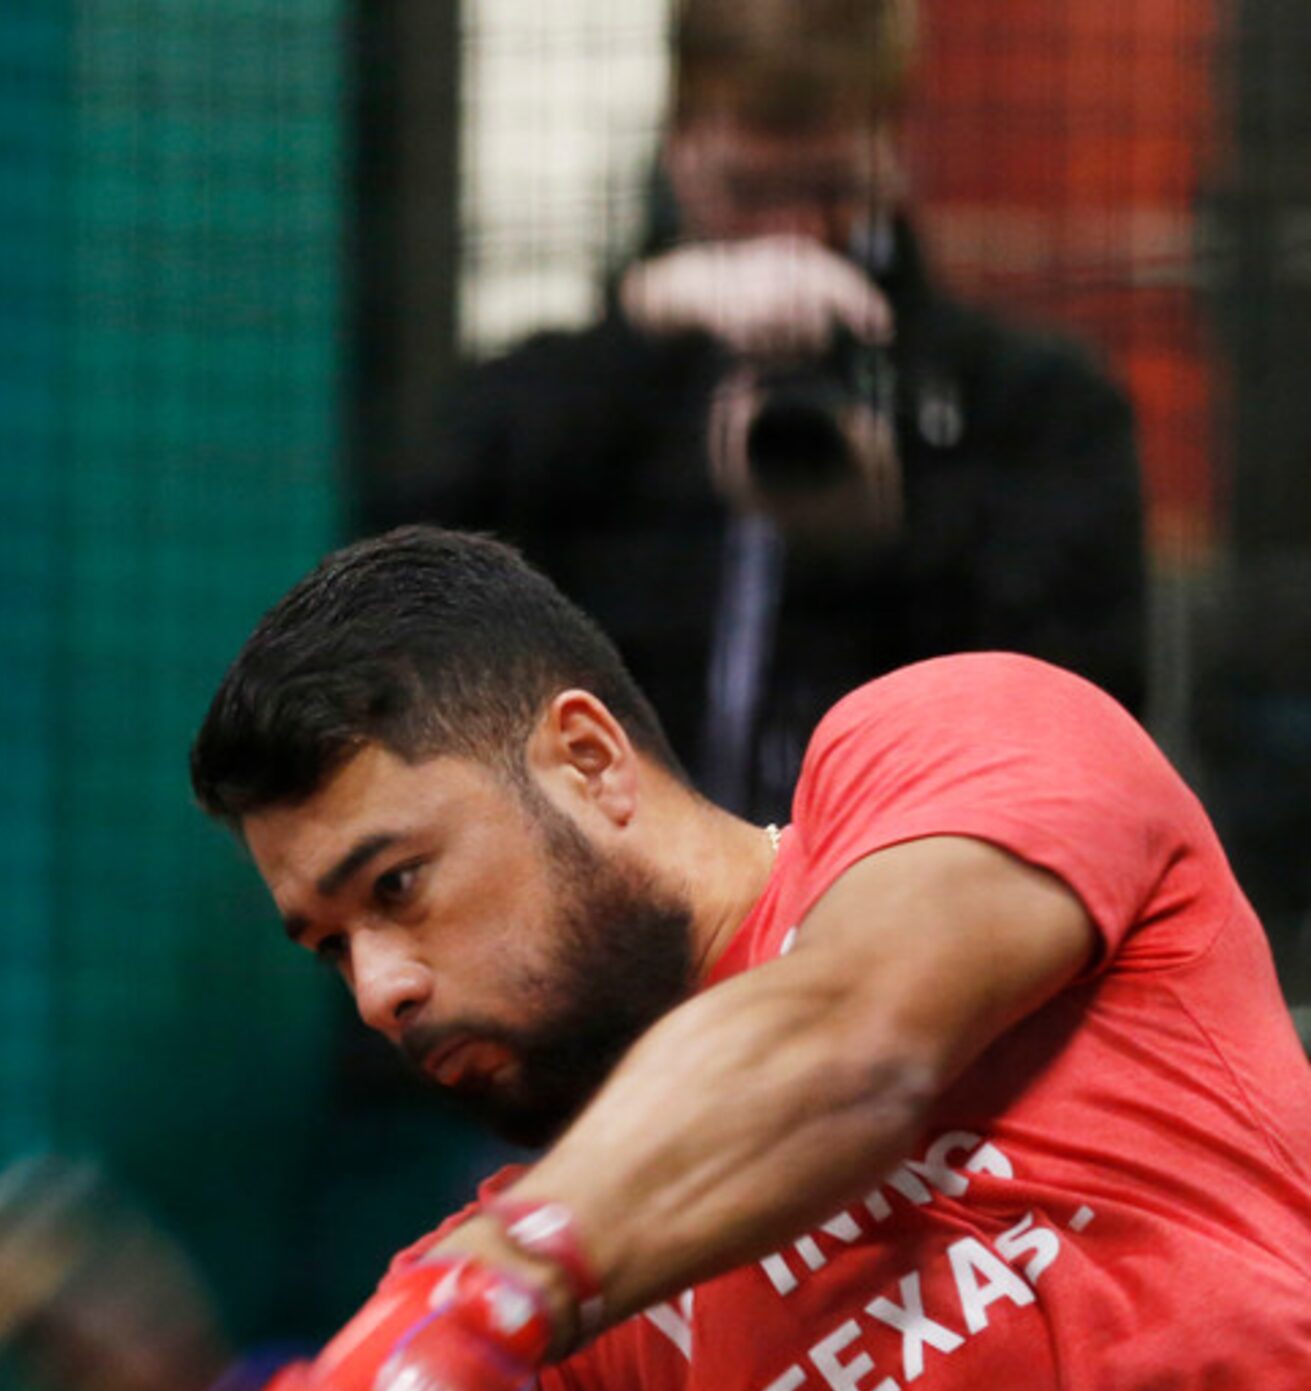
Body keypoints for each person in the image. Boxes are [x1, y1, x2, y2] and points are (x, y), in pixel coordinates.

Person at [123, 527, 1311, 1391]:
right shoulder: (543, 1259)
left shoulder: (945, 743)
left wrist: (493, 1293)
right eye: (329, 944)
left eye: (396, 885)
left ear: (585, 758)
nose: (380, 988)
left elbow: (848, 1038)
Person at [382, 0, 1145, 822]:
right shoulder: (586, 387)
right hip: (635, 916)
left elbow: (1085, 719)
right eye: (748, 192)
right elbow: (408, 603)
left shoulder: (1025, 402)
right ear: (678, 152)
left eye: (831, 192)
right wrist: (634, 334)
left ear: (892, 151)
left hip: (907, 914)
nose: (792, 234)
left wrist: (885, 541)